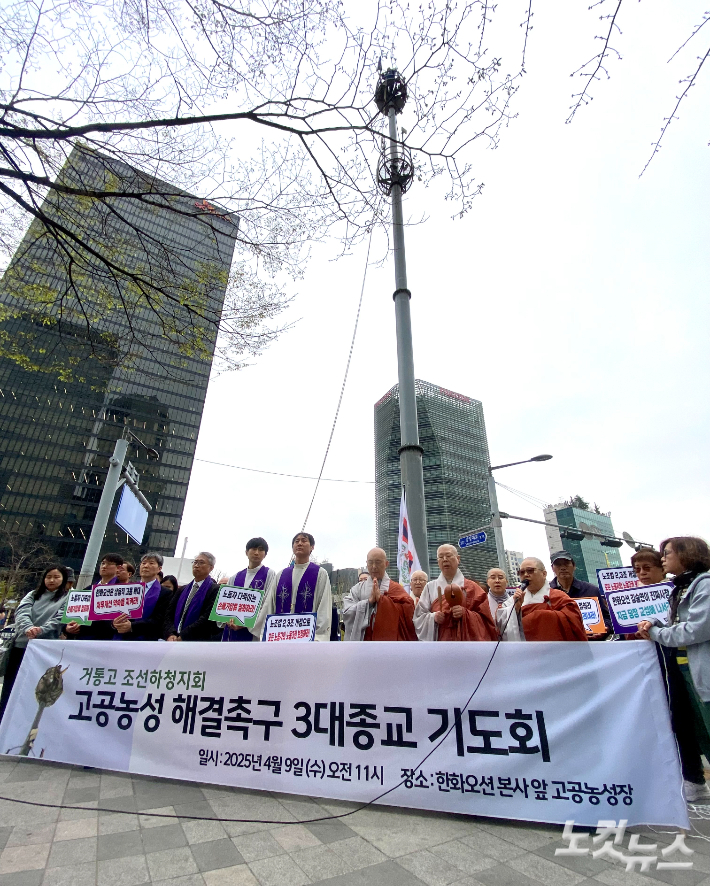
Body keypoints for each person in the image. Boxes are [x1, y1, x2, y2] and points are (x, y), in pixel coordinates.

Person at [638, 537, 710, 803]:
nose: (663, 557)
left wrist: (656, 632)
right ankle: (694, 780)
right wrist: (655, 623)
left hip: (703, 672)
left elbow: (696, 629)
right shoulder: (682, 587)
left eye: (667, 553)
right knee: (696, 730)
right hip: (687, 672)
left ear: (687, 554)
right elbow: (675, 622)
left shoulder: (705, 585)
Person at [0, 565, 70, 721]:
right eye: (48, 576)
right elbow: (22, 612)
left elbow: (60, 618)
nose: (51, 580)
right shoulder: (32, 594)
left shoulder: (67, 597)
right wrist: (28, 628)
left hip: (44, 650)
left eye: (56, 577)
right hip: (21, 646)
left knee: (34, 690)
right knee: (10, 687)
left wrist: (41, 630)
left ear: (64, 580)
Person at [254, 533, 332, 641]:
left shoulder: (320, 573)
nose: (299, 543)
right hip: (280, 637)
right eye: (296, 541)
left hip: (307, 639)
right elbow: (269, 607)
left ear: (312, 547)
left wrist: (318, 637)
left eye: (304, 541)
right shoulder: (281, 575)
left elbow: (324, 607)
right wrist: (265, 634)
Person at [413, 544, 497, 642]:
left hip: (466, 642)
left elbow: (486, 620)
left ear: (458, 559)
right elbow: (418, 618)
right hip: (440, 641)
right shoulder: (429, 587)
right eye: (440, 557)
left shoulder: (472, 587)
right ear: (438, 562)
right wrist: (433, 617)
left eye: (448, 556)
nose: (444, 559)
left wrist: (465, 614)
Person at [500, 557, 587, 641]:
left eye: (530, 571)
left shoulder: (558, 596)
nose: (526, 575)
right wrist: (515, 609)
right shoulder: (513, 600)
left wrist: (541, 617)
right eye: (522, 572)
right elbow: (499, 627)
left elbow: (574, 624)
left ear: (544, 574)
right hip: (525, 651)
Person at [343, 548, 417, 641]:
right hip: (363, 643)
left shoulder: (395, 588)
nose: (374, 566)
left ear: (386, 564)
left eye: (378, 562)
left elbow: (409, 612)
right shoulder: (357, 589)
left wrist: (383, 601)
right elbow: (347, 612)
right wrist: (368, 603)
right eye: (370, 562)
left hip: (389, 644)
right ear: (366, 563)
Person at [222, 537, 277, 642]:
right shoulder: (235, 577)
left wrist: (246, 623)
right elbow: (225, 603)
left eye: (261, 550)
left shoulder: (269, 574)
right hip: (231, 628)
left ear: (265, 554)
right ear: (246, 552)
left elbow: (268, 603)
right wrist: (228, 620)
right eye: (253, 549)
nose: (256, 553)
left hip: (252, 632)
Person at [549, 550, 611, 638]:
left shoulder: (592, 590)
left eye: (566, 563)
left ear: (574, 566)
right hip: (560, 646)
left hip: (591, 645)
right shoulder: (546, 593)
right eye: (558, 564)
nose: (562, 568)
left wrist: (605, 629)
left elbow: (607, 619)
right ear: (552, 568)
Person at [112, 553, 173, 641]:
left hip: (145, 641)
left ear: (159, 569)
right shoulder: (126, 588)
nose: (146, 566)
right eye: (143, 563)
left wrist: (132, 626)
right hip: (120, 638)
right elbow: (113, 611)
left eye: (151, 563)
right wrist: (114, 624)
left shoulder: (165, 593)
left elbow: (159, 620)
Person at [164, 552, 221, 641]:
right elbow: (169, 614)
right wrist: (171, 633)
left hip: (197, 641)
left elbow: (207, 617)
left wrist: (184, 635)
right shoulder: (182, 589)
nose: (196, 565)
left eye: (201, 563)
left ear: (211, 568)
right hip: (174, 639)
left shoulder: (215, 590)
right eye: (195, 562)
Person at [66, 553, 123, 637]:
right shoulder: (87, 590)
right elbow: (71, 615)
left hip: (104, 639)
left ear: (118, 568)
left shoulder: (122, 591)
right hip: (80, 639)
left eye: (109, 564)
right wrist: (67, 627)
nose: (104, 566)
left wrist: (83, 626)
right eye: (103, 563)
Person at [486, 567, 524, 641]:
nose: (497, 581)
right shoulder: (483, 602)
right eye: (493, 578)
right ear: (487, 582)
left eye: (500, 577)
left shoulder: (515, 600)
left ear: (506, 581)